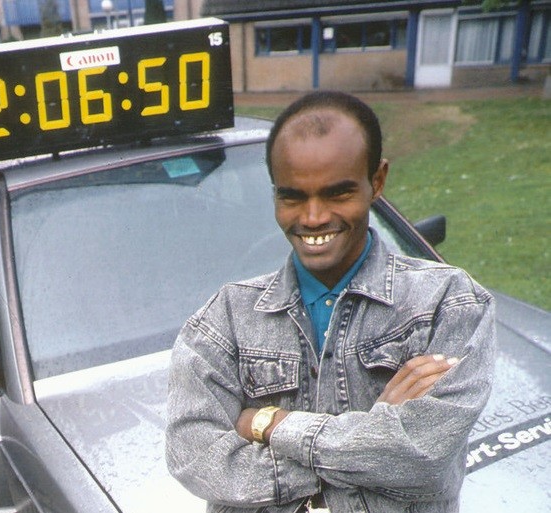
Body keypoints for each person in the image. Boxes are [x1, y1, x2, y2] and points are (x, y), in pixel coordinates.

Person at [165, 91, 496, 513]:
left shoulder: (449, 304)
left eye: (338, 194)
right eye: (292, 197)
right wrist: (372, 446)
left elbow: (421, 456)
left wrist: (269, 424)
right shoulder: (223, 320)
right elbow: (194, 458)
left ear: (377, 181)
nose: (313, 217)